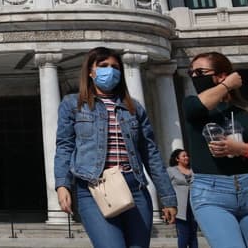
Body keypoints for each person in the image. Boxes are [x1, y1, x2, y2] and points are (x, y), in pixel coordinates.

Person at [54, 46, 177, 248]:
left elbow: (150, 153)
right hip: (95, 186)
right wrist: (62, 184)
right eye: (103, 66)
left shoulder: (134, 107)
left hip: (134, 186)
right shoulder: (73, 104)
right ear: (90, 72)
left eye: (115, 67)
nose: (110, 71)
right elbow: (65, 147)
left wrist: (167, 197)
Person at [183, 51, 248, 248]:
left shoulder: (247, 109)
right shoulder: (192, 104)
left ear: (221, 75)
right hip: (210, 193)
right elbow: (195, 109)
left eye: (200, 72)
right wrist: (227, 85)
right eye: (191, 73)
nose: (194, 77)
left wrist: (244, 149)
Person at [167, 149, 198, 248]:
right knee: (184, 235)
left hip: (194, 205)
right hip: (180, 207)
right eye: (184, 156)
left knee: (193, 234)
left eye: (187, 156)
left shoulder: (194, 170)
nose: (187, 158)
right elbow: (166, 188)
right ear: (177, 159)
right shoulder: (171, 170)